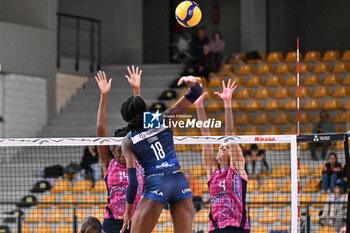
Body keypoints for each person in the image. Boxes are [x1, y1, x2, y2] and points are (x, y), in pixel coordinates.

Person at [120, 76, 202, 233]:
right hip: (179, 181)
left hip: (156, 183)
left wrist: (128, 210)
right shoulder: (164, 119)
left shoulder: (127, 140)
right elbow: (196, 92)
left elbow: (133, 183)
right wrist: (191, 83)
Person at [195, 80, 249, 233]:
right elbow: (206, 137)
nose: (224, 149)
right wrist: (199, 106)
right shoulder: (212, 170)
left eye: (227, 147)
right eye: (221, 147)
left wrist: (227, 102)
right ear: (217, 155)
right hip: (216, 227)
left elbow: (230, 134)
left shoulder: (238, 168)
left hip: (238, 227)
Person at [94, 67, 144, 233]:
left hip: (137, 220)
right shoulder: (108, 163)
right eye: (118, 151)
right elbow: (101, 128)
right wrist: (104, 95)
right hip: (112, 223)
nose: (122, 154)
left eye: (125, 149)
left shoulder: (140, 161)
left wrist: (136, 90)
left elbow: (140, 121)